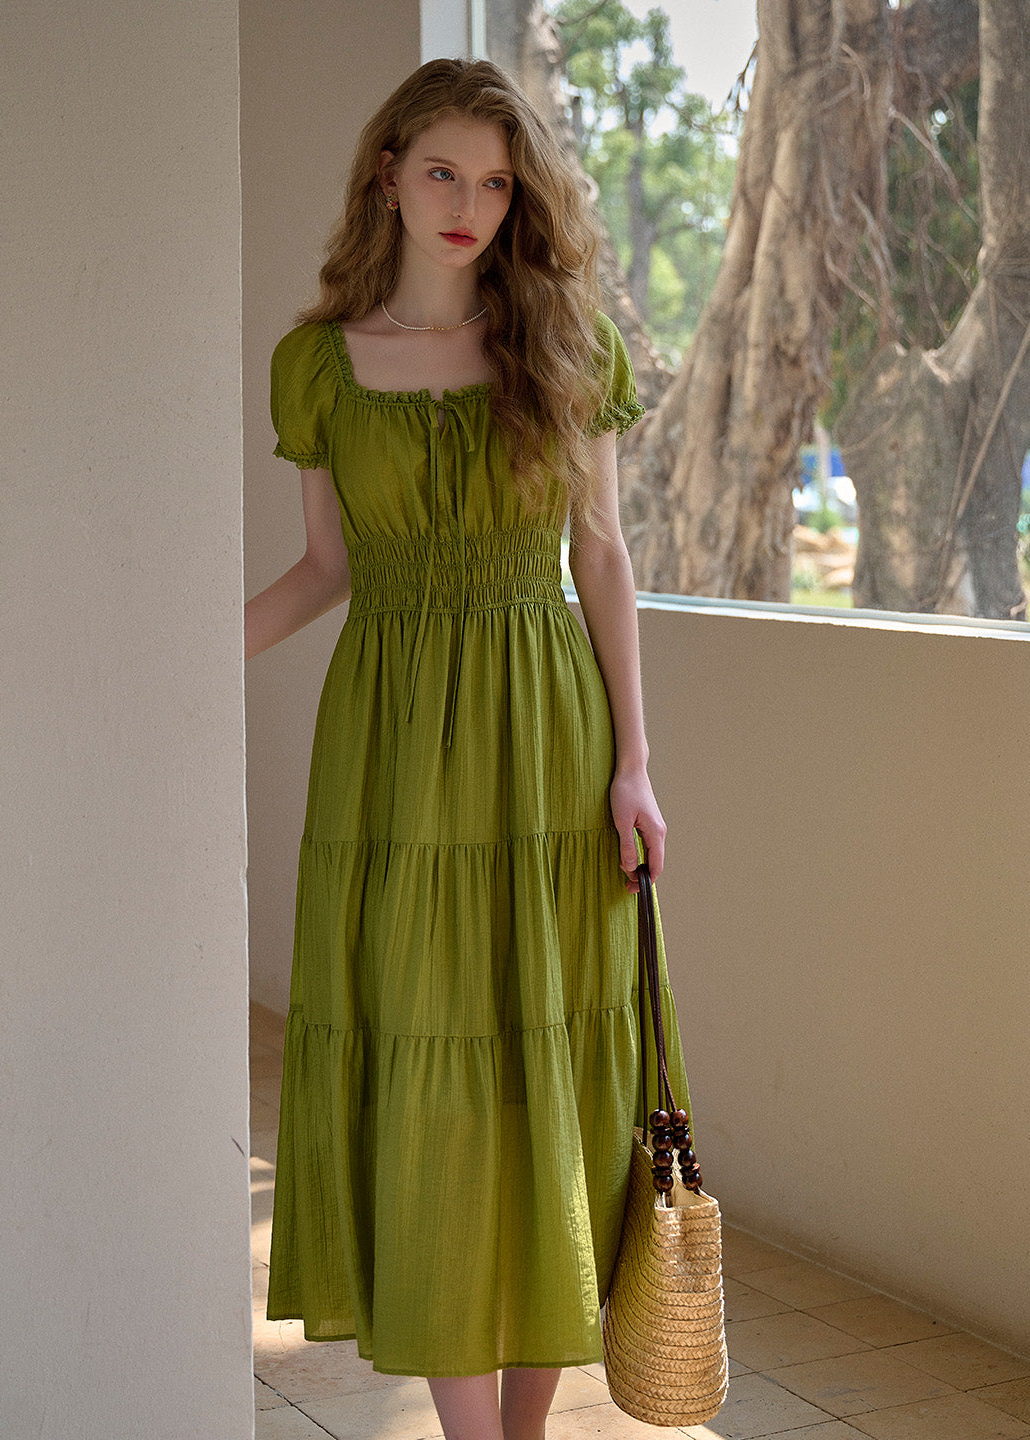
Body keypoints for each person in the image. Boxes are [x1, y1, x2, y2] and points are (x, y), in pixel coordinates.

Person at [245, 56, 689, 1440]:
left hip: (548, 734)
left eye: (497, 183)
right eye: (443, 171)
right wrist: (177, 663)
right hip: (391, 748)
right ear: (387, 174)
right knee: (430, 1073)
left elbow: (603, 557)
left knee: (549, 1063)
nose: (470, 206)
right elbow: (325, 570)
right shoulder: (319, 365)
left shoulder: (564, 345)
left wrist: (634, 763)